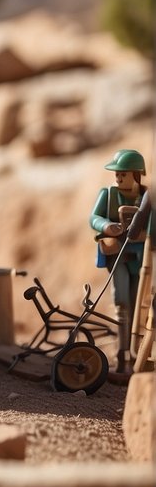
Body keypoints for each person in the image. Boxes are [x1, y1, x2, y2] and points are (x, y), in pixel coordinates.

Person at [90, 149, 148, 371]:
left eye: (123, 174)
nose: (118, 177)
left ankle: (136, 354)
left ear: (136, 174)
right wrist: (107, 226)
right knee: (122, 304)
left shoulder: (146, 197)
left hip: (141, 260)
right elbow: (93, 218)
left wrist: (144, 235)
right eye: (117, 174)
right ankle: (122, 353)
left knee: (138, 307)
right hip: (119, 257)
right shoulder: (108, 194)